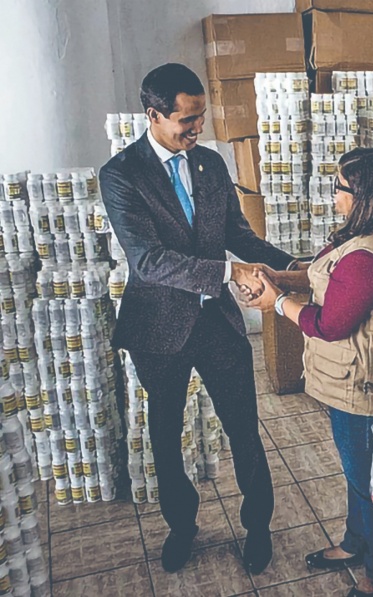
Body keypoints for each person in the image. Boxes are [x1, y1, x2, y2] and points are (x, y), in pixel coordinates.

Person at [99, 63, 298, 574]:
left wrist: (295, 267)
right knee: (165, 435)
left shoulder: (209, 164)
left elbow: (241, 236)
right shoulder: (121, 175)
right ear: (154, 115)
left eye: (201, 116)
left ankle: (257, 526)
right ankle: (182, 527)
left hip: (216, 324)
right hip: (159, 327)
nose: (198, 129)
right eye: (187, 120)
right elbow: (148, 261)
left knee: (245, 430)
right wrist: (230, 271)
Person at [245, 148, 373, 597]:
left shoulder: (370, 258)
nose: (335, 195)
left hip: (365, 391)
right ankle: (354, 543)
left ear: (364, 197)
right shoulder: (372, 239)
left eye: (340, 188)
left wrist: (277, 304)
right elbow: (333, 280)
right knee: (357, 474)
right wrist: (284, 278)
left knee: (370, 485)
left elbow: (329, 324)